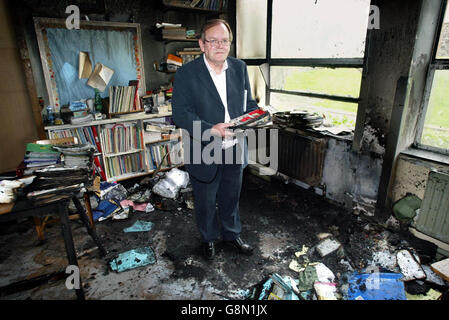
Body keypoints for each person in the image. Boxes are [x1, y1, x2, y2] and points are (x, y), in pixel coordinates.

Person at [172, 19, 258, 260]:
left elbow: (248, 104)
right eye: (213, 41)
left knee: (231, 197)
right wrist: (212, 130)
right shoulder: (186, 74)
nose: (220, 46)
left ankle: (232, 235)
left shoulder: (239, 68)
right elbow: (181, 114)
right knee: (206, 200)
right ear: (202, 44)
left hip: (235, 145)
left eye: (224, 41)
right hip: (203, 147)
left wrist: (259, 116)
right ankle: (208, 239)